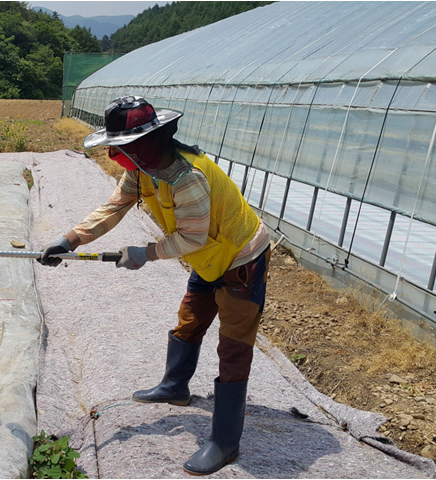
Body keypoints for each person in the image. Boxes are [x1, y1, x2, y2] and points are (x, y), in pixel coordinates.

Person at [38, 96, 270, 475]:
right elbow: (114, 207)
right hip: (208, 254)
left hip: (240, 258)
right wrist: (71, 239)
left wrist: (144, 253)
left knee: (232, 347)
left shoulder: (187, 177)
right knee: (189, 320)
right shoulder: (143, 171)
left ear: (146, 142)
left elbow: (191, 239)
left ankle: (224, 441)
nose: (115, 153)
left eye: (121, 147)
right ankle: (175, 386)